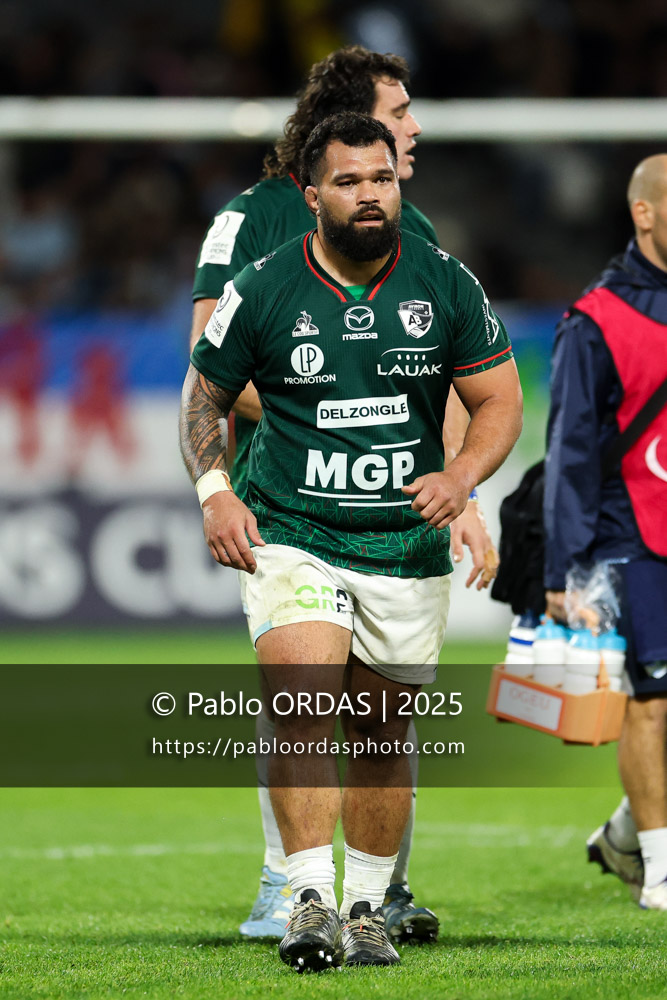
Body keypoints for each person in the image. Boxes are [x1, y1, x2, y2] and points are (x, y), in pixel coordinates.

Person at [180, 112, 522, 969]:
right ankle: (304, 897)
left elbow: (499, 402)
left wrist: (462, 478)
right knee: (302, 702)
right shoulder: (263, 285)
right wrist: (215, 492)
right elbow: (201, 399)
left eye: (382, 179)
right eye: (348, 181)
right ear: (312, 193)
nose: (370, 195)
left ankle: (366, 906)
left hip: (403, 544)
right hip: (293, 530)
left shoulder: (444, 283)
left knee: (378, 731)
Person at [544, 153, 667, 912]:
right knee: (651, 700)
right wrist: (562, 571)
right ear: (644, 213)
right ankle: (658, 866)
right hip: (635, 535)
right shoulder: (595, 320)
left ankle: (624, 833)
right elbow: (571, 453)